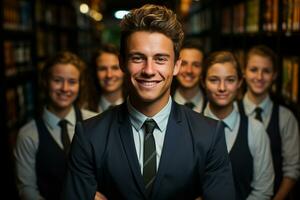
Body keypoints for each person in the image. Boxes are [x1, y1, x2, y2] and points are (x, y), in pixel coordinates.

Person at [62, 4, 235, 200]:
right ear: (122, 63)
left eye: (160, 59)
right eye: (138, 58)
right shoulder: (89, 135)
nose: (149, 70)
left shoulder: (209, 135)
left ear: (176, 65)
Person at [14, 51, 97, 200]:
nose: (65, 88)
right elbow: (27, 190)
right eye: (57, 80)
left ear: (80, 85)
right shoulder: (28, 135)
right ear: (45, 81)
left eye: (72, 82)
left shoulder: (96, 122)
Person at [202, 50, 274, 199]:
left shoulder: (255, 130)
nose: (222, 88)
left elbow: (263, 190)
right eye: (214, 80)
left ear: (240, 82)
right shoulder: (188, 127)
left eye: (230, 80)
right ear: (203, 82)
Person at [240, 45, 300, 200]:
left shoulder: (286, 118)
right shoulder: (230, 111)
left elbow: (292, 170)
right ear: (244, 72)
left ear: (274, 75)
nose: (259, 77)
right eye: (253, 69)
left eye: (266, 71)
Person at [85, 43, 125, 113]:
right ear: (94, 72)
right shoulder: (84, 111)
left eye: (115, 68)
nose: (109, 75)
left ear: (125, 70)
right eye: (102, 69)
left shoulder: (139, 107)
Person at [173, 39, 206, 112]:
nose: (189, 70)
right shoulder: (163, 103)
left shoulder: (213, 104)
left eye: (196, 65)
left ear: (203, 69)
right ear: (175, 66)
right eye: (183, 64)